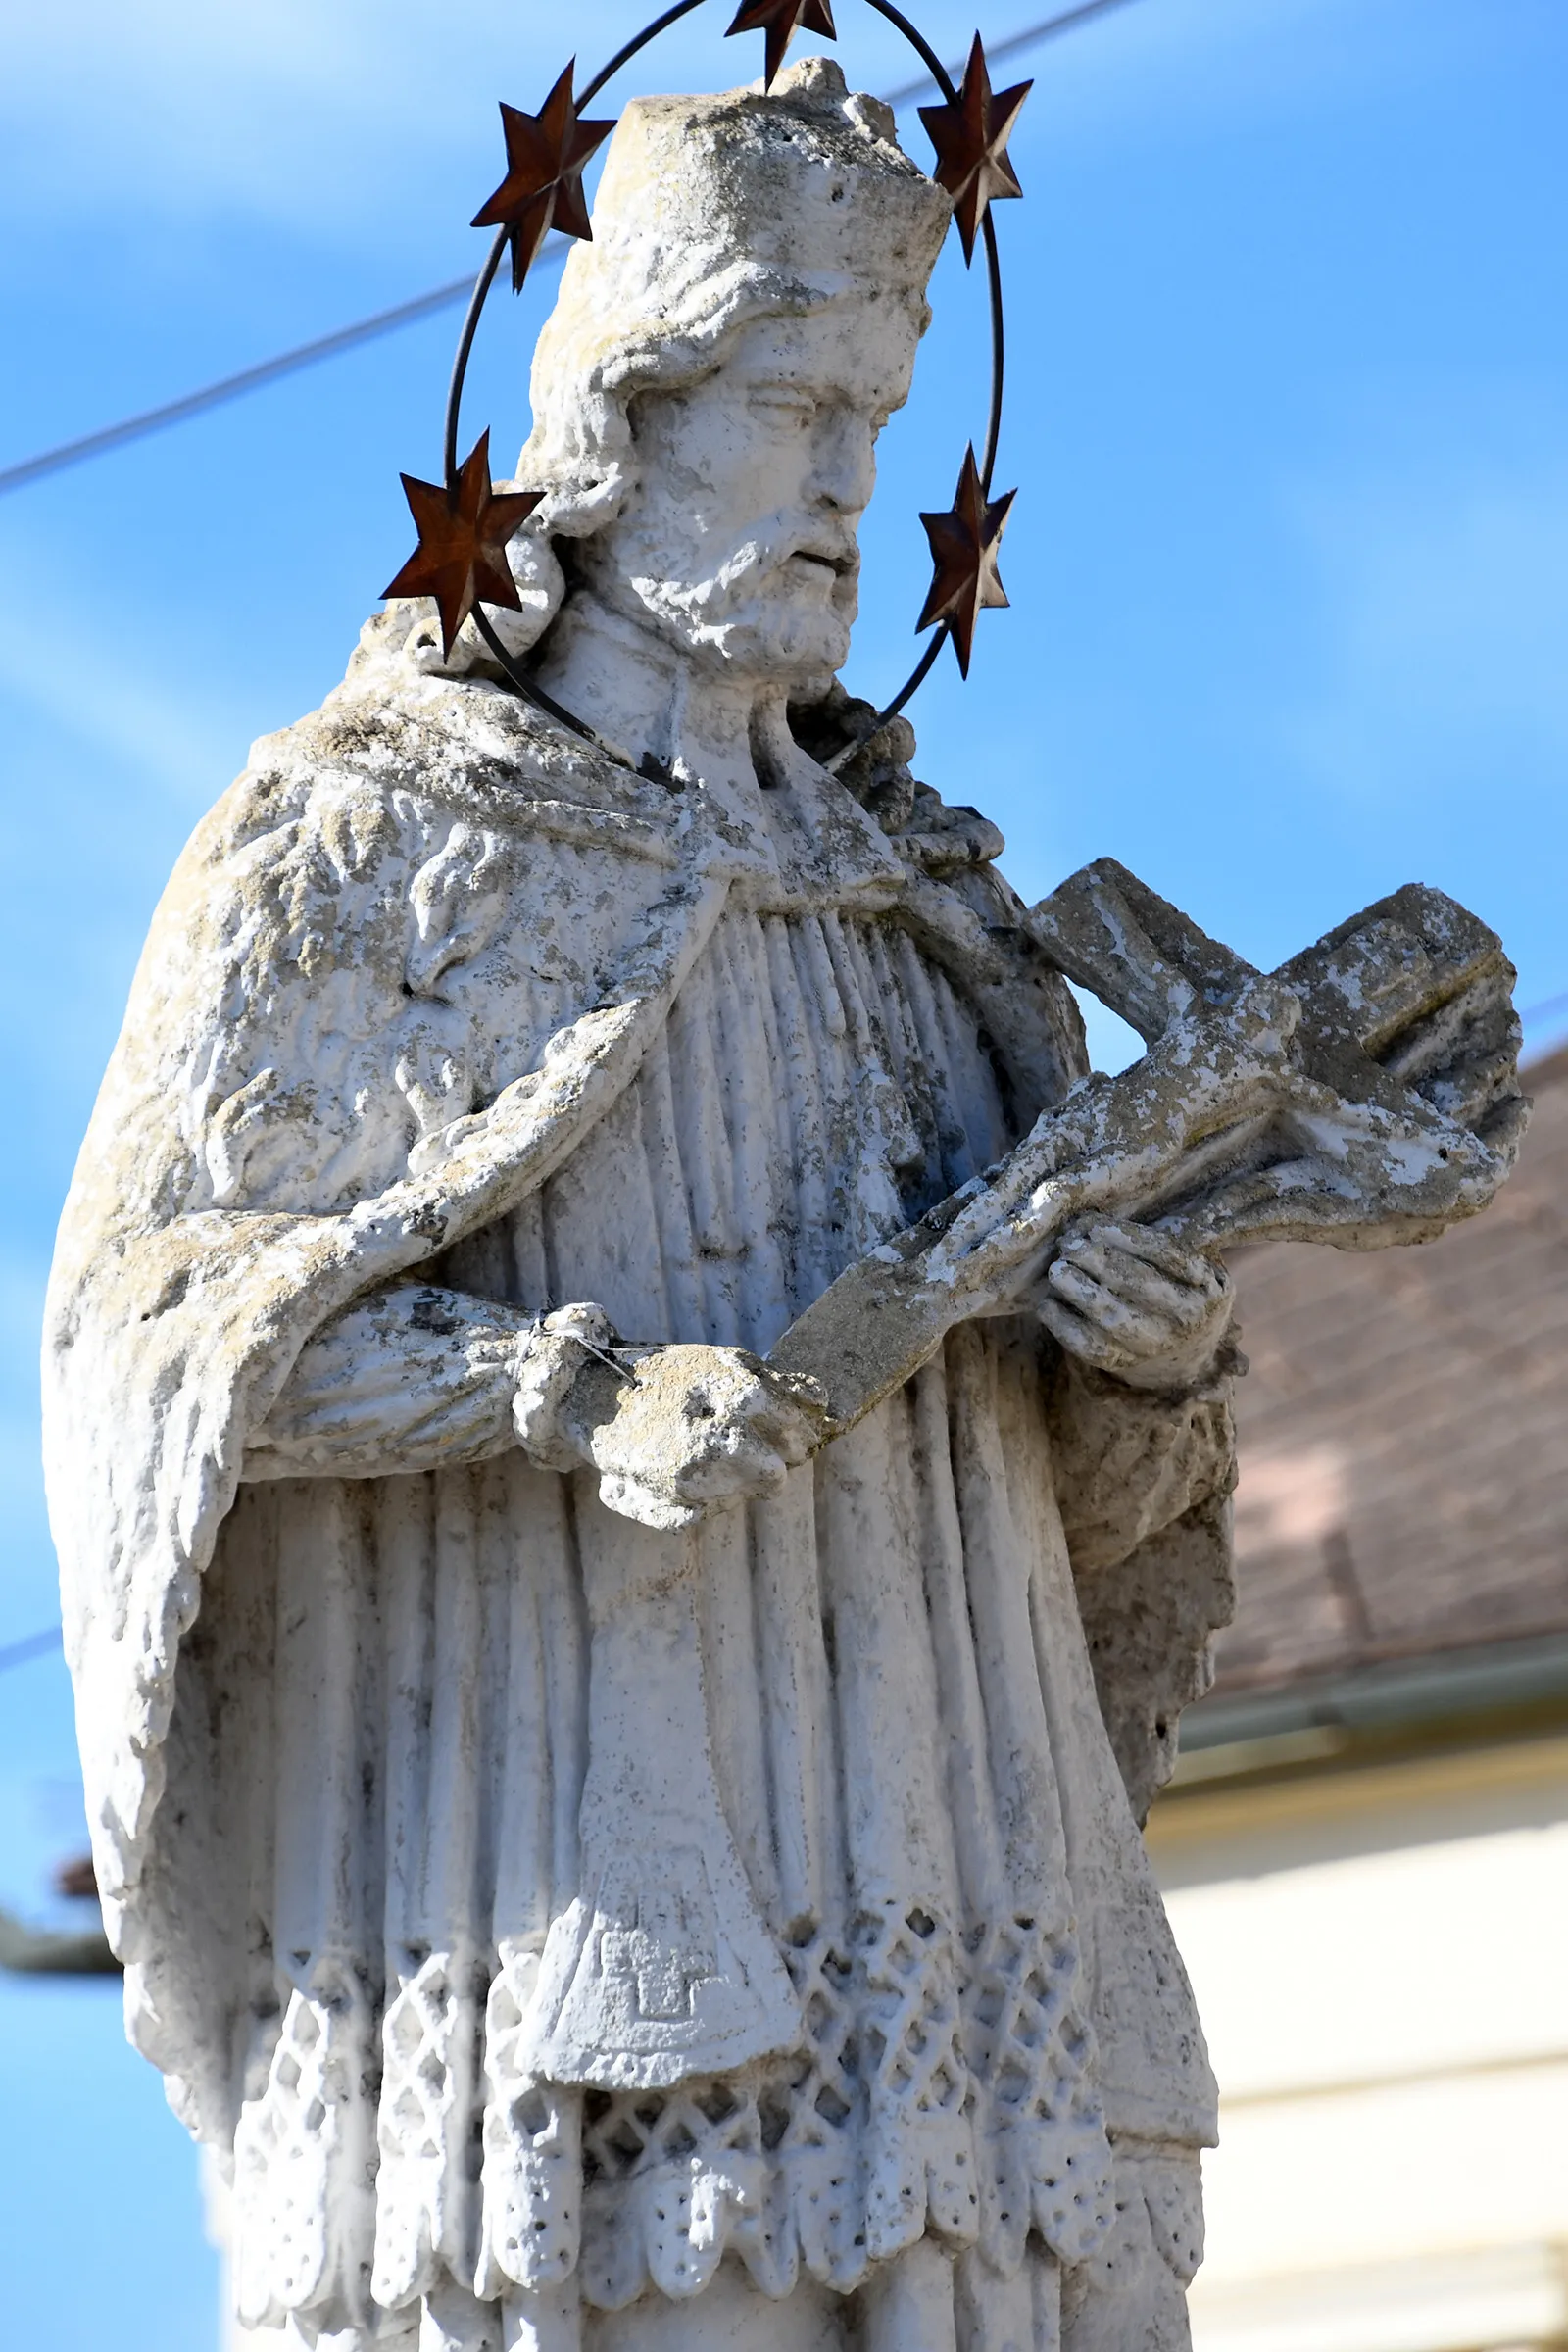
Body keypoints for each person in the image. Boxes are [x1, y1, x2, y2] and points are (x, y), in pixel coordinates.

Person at [45, 61, 1238, 2352]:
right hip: (544, 1828)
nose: (836, 494)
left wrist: (1147, 1360)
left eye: (868, 432)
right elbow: (163, 1326)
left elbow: (1083, 1513)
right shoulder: (371, 841)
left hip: (946, 1847)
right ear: (615, 419)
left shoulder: (936, 924)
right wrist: (548, 1388)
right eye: (779, 413)